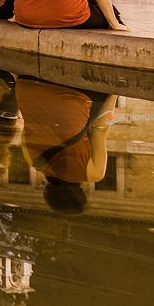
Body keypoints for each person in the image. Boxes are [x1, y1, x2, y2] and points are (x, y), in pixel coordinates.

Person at [16, 76, 117, 214]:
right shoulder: (31, 160)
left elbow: (99, 129)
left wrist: (115, 92)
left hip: (73, 93)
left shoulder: (94, 174)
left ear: (80, 192)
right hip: (28, 84)